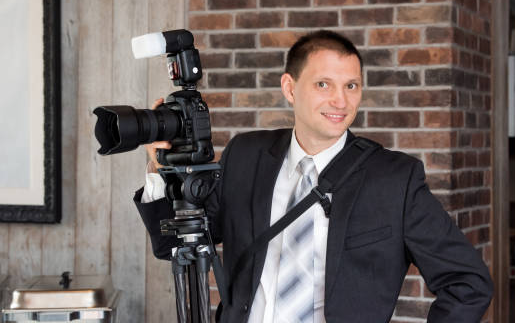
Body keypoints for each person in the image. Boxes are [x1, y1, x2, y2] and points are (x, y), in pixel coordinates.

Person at [134, 30, 493, 322]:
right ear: (290, 88)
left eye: (351, 86)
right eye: (324, 84)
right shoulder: (245, 156)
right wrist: (157, 167)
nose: (341, 100)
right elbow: (177, 245)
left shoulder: (395, 180)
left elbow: (468, 282)